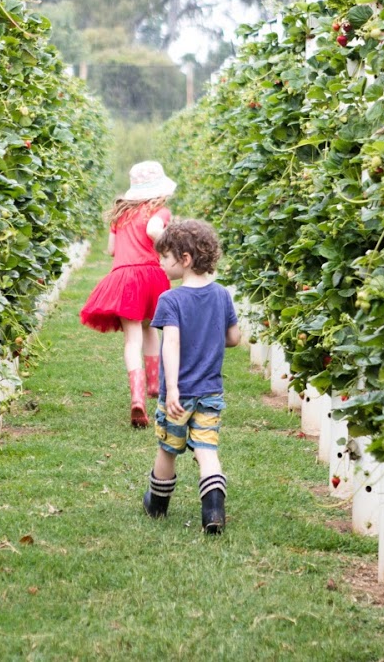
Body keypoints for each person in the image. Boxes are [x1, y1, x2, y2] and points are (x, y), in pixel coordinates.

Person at [141, 218, 240, 534]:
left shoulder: (171, 299)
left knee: (168, 447)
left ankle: (157, 504)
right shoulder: (222, 295)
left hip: (179, 395)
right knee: (207, 449)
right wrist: (210, 336)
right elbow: (234, 338)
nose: (161, 262)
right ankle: (213, 511)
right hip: (211, 391)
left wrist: (170, 391)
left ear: (184, 260)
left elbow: (170, 344)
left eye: (165, 256)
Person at [79, 161, 175, 428]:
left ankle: (137, 396)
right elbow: (155, 230)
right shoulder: (159, 211)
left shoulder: (120, 216)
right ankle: (155, 385)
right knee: (151, 329)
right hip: (153, 275)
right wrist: (167, 246)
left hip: (125, 277)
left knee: (131, 339)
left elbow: (110, 250)